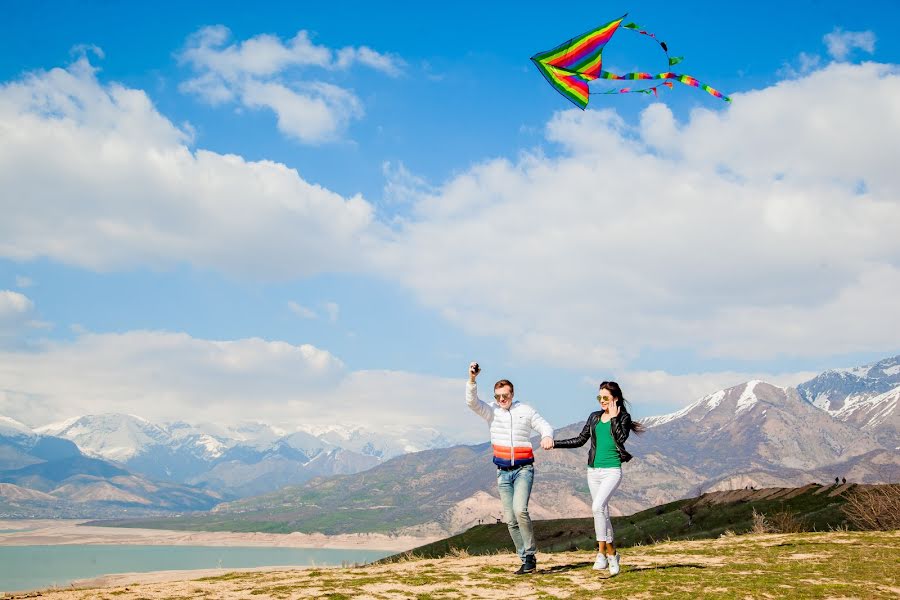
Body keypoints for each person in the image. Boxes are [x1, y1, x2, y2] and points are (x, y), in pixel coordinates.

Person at [466, 361, 554, 574]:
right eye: (497, 396)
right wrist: (472, 379)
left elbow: (543, 424)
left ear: (512, 394)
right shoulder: (491, 411)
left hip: (524, 469)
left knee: (520, 510)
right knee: (510, 519)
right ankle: (525, 560)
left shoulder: (525, 410)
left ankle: (531, 555)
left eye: (505, 395)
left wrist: (547, 436)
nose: (501, 399)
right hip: (502, 473)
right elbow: (472, 402)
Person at [551, 381, 643, 576]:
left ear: (615, 398)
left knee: (597, 507)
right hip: (593, 471)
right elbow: (580, 439)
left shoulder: (624, 418)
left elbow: (620, 438)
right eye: (599, 397)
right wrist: (555, 443)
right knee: (602, 512)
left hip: (612, 471)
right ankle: (609, 554)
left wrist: (616, 418)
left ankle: (605, 554)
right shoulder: (594, 417)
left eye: (605, 398)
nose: (602, 401)